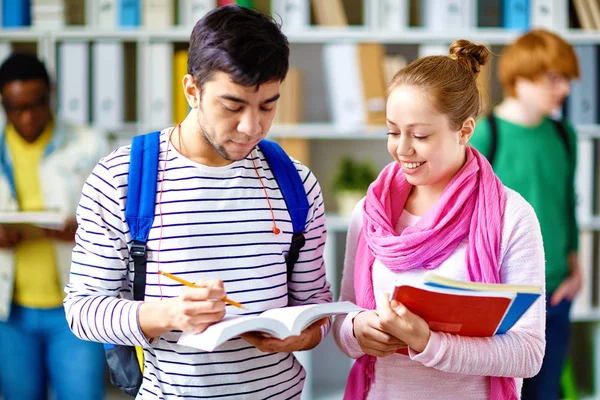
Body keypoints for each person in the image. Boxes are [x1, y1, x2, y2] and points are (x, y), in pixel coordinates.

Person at [64, 5, 332, 399]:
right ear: (192, 90)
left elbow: (315, 305)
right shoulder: (121, 178)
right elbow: (83, 311)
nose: (251, 127)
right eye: (233, 106)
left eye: (268, 106)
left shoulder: (296, 183)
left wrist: (304, 336)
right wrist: (168, 314)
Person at [333, 40, 546, 400]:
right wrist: (356, 330)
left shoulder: (512, 216)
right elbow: (344, 317)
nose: (402, 148)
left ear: (464, 130)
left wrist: (428, 343)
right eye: (392, 131)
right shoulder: (370, 214)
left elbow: (528, 354)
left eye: (420, 135)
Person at [469, 29, 580, 400]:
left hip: (558, 293)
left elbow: (567, 203)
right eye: (554, 78)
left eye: (566, 79)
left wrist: (576, 270)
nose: (564, 88)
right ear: (520, 77)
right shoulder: (487, 135)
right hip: (504, 295)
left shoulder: (565, 135)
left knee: (546, 392)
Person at [0, 53, 107, 400]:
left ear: (52, 94)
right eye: (16, 108)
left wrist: (83, 230)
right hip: (10, 313)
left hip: (74, 311)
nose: (28, 117)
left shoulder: (90, 144)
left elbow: (117, 224)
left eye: (37, 104)